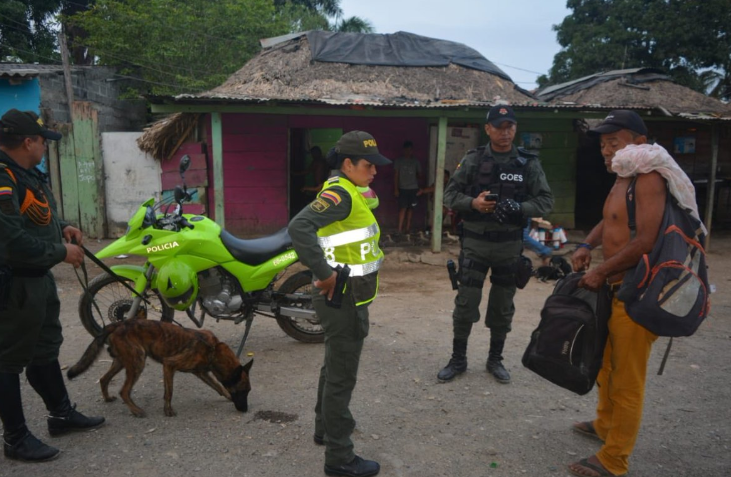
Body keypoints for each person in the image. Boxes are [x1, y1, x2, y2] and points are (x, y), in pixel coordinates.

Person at [567, 111, 669, 477]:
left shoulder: (648, 178)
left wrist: (600, 270)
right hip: (615, 288)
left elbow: (646, 239)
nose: (607, 150)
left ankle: (614, 459)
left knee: (626, 378)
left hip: (639, 291)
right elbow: (610, 219)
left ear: (641, 142)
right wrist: (586, 244)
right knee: (605, 363)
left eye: (615, 142)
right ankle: (605, 425)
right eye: (603, 145)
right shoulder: (624, 177)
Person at [0, 109, 105, 463]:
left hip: (37, 279)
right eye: (43, 141)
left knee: (45, 347)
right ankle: (15, 438)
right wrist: (61, 252)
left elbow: (32, 215)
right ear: (28, 141)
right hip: (13, 284)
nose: (46, 147)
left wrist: (61, 225)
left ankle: (61, 413)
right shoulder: (2, 177)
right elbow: (9, 239)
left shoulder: (23, 173)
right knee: (7, 360)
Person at [288, 130, 390, 477]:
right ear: (348, 164)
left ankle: (324, 429)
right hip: (341, 296)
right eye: (368, 165)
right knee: (341, 377)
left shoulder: (350, 191)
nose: (374, 171)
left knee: (333, 366)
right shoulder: (340, 194)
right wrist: (323, 273)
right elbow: (299, 227)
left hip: (346, 295)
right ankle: (339, 458)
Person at [438, 105, 553, 384]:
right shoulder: (474, 159)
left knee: (502, 306)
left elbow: (545, 201)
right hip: (475, 244)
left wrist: (519, 207)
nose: (506, 132)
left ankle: (495, 360)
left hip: (508, 247)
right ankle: (458, 359)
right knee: (466, 303)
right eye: (500, 126)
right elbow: (449, 195)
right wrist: (473, 203)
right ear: (488, 129)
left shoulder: (528, 163)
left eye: (510, 126)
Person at [393, 140, 421, 234]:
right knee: (403, 208)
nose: (408, 152)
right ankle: (399, 229)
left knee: (411, 209)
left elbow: (419, 174)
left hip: (413, 188)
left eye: (410, 150)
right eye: (406, 150)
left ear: (412, 150)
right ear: (403, 150)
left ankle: (407, 228)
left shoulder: (415, 161)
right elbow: (396, 175)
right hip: (402, 188)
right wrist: (396, 189)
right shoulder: (399, 161)